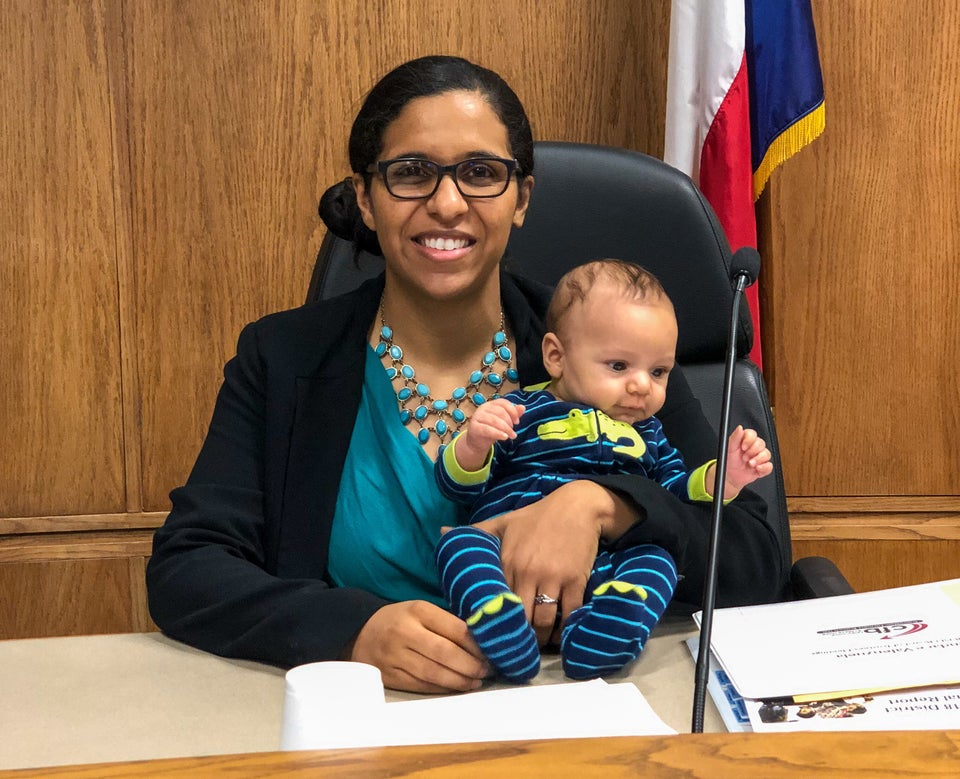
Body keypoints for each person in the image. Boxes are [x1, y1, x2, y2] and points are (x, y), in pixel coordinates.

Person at [146, 55, 787, 695]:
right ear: (367, 199)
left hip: (589, 699)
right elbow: (188, 569)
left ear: (522, 199)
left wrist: (603, 504)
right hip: (368, 709)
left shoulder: (608, 350)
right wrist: (349, 631)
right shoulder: (283, 356)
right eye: (411, 173)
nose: (447, 204)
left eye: (481, 173)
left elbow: (756, 558)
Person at [434, 260, 772, 682]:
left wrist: (726, 477)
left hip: (605, 558)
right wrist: (473, 444)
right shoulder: (522, 412)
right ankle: (498, 620)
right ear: (556, 356)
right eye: (618, 366)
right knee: (460, 544)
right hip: (506, 552)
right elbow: (458, 487)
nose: (641, 386)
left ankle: (605, 629)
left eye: (658, 371)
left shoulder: (649, 434)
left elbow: (674, 496)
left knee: (658, 557)